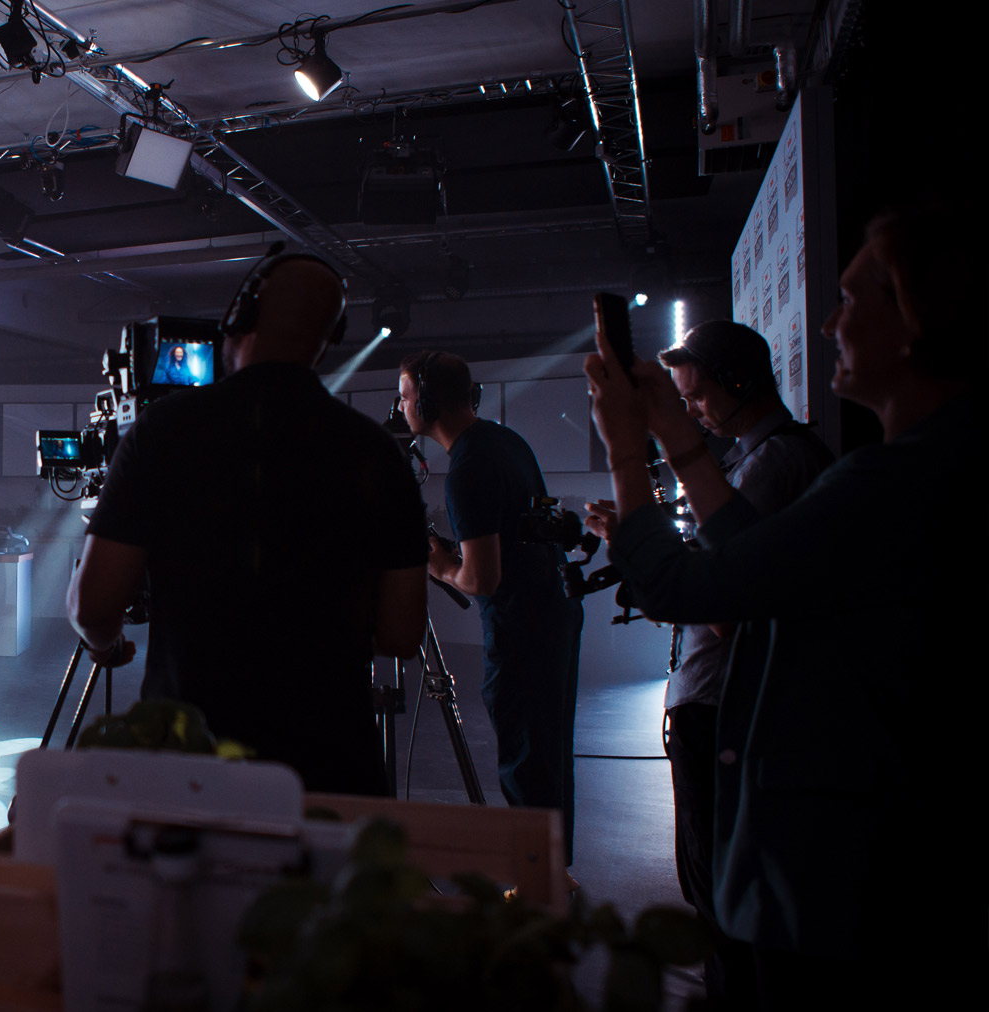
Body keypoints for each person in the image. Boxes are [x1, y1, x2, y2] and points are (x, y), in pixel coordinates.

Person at [585, 205, 981, 1008]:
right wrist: (673, 436)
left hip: (834, 876)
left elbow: (690, 589)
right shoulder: (925, 471)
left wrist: (626, 443)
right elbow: (754, 558)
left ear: (913, 320)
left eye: (853, 299)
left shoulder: (889, 485)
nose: (830, 323)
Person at [67, 253, 429, 796]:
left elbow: (94, 607)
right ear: (329, 339)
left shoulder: (161, 432)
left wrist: (107, 647)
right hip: (330, 768)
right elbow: (401, 634)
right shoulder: (378, 452)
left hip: (189, 764)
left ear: (239, 315)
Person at [585, 321, 832, 1007]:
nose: (691, 412)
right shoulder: (771, 459)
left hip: (723, 709)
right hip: (722, 708)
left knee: (721, 908)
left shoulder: (774, 464)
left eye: (695, 399)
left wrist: (643, 517)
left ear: (739, 383)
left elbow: (730, 605)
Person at [400, 350, 585, 865]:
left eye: (406, 396)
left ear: (428, 402)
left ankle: (534, 884)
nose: (401, 407)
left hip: (521, 629)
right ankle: (554, 874)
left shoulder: (467, 469)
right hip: (554, 614)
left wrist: (440, 567)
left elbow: (482, 579)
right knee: (547, 757)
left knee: (525, 760)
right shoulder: (504, 441)